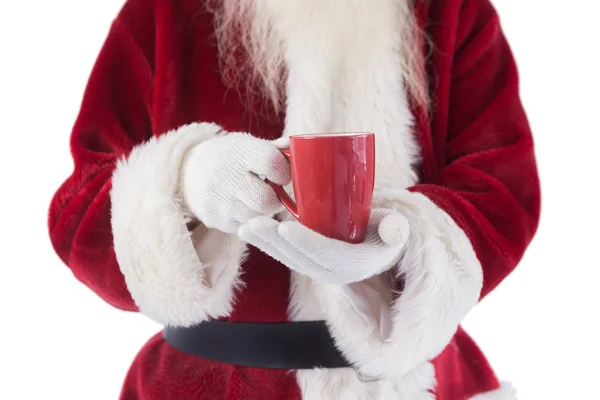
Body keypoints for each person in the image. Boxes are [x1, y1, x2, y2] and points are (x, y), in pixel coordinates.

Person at [47, 0, 541, 398]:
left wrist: (406, 246)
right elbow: (79, 213)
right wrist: (188, 184)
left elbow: (502, 187)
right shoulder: (160, 12)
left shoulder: (452, 10)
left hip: (420, 382)